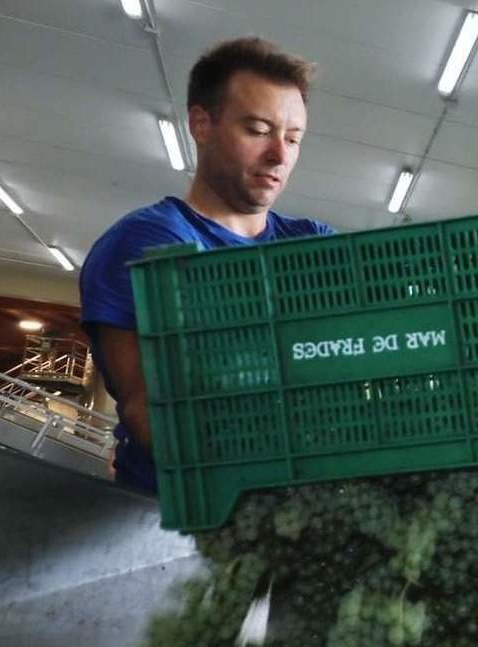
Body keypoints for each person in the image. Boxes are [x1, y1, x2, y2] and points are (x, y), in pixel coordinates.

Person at [80, 38, 333, 493]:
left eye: (293, 138)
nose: (280, 154)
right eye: (258, 130)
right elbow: (147, 410)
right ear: (201, 124)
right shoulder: (148, 243)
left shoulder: (310, 242)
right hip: (177, 525)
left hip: (297, 515)